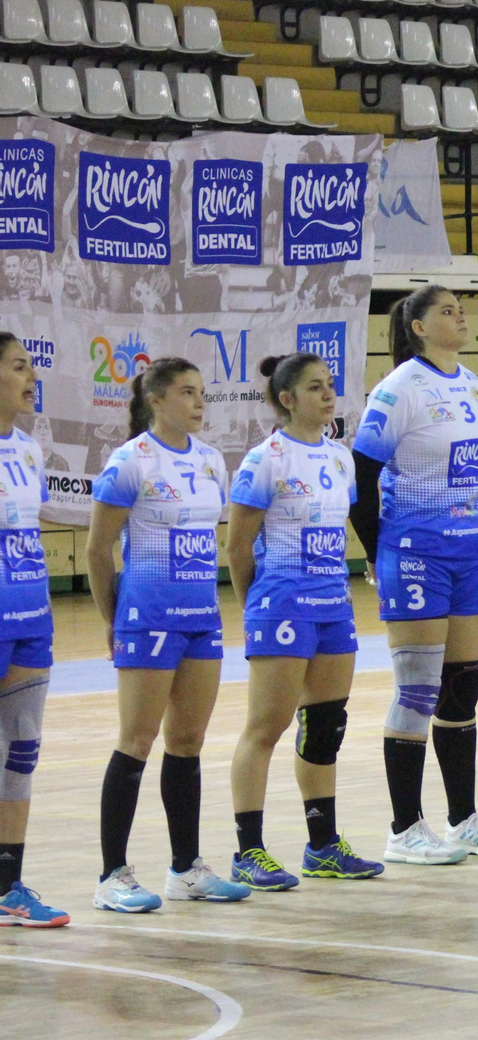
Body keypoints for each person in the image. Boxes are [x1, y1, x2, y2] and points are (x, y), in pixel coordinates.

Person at [352, 285, 478, 864]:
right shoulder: (399, 388)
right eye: (446, 310)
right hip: (415, 548)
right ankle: (404, 828)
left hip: (470, 548)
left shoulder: (472, 383)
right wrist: (378, 552)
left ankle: (463, 818)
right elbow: (360, 476)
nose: (460, 315)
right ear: (418, 327)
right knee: (418, 691)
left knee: (462, 685)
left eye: (459, 308)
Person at [89, 358, 250, 912]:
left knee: (187, 744)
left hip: (201, 618)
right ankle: (112, 875)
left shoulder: (211, 462)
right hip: (148, 618)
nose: (199, 402)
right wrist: (114, 621)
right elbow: (97, 550)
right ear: (156, 400)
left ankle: (186, 869)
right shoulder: (131, 461)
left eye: (202, 392)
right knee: (135, 741)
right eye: (187, 392)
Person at [226, 354, 383, 890]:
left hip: (333, 605)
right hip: (282, 604)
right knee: (265, 728)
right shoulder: (265, 459)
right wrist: (258, 606)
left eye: (331, 386)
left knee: (325, 728)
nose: (328, 395)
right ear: (287, 399)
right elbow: (238, 547)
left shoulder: (340, 459)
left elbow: (341, 530)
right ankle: (248, 850)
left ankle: (323, 845)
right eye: (315, 388)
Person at [0, 333, 67, 926]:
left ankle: (8, 885)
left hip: (30, 615)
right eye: (19, 365)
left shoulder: (27, 450)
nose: (31, 375)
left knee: (21, 750)